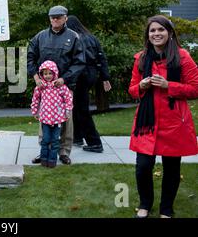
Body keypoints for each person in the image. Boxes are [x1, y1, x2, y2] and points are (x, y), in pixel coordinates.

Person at [129, 15, 198, 218]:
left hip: (174, 122)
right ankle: (145, 205)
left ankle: (166, 209)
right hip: (146, 123)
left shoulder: (182, 56)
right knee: (142, 167)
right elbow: (132, 89)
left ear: (170, 33)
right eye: (152, 31)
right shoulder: (141, 59)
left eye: (161, 30)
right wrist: (140, 86)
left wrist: (170, 86)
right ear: (148, 35)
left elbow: (195, 88)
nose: (156, 34)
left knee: (171, 169)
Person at [27, 5, 86, 165]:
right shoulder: (40, 36)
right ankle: (43, 150)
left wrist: (65, 79)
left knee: (66, 119)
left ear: (66, 18)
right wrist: (35, 76)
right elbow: (30, 56)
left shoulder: (74, 37)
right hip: (44, 88)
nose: (55, 19)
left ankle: (64, 152)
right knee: (44, 118)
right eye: (52, 17)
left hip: (65, 87)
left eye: (59, 17)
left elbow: (80, 62)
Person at [66, 15, 112, 153]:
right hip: (91, 74)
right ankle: (77, 137)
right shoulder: (91, 37)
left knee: (81, 109)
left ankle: (94, 142)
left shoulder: (74, 38)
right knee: (76, 106)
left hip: (80, 75)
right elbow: (101, 57)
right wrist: (105, 77)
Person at [31, 60, 73, 168]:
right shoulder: (41, 87)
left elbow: (68, 98)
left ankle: (52, 161)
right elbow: (35, 99)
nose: (48, 76)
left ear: (55, 73)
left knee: (55, 141)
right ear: (41, 75)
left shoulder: (60, 86)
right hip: (45, 119)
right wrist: (35, 111)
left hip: (58, 119)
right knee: (45, 140)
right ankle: (44, 159)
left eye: (50, 73)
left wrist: (67, 110)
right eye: (45, 74)